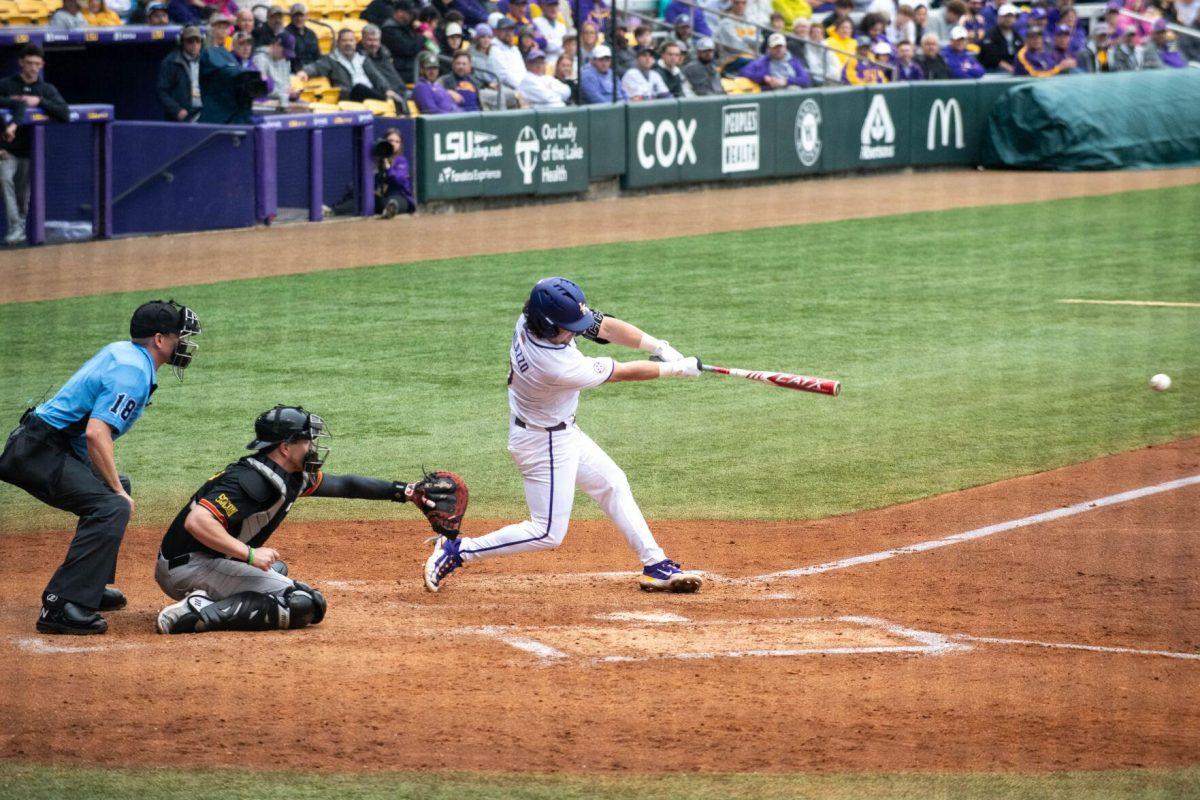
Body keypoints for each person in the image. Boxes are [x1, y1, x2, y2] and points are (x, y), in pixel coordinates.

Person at [423, 278, 704, 595]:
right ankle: (457, 551)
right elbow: (623, 372)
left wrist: (659, 347)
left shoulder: (535, 318)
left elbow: (604, 328)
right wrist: (675, 370)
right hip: (543, 445)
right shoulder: (556, 366)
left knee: (612, 482)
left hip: (560, 431)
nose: (575, 332)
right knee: (546, 532)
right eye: (569, 327)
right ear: (547, 325)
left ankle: (656, 564)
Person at [155, 407, 464, 634]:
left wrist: (406, 492)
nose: (313, 446)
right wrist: (249, 554)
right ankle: (198, 611)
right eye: (306, 440)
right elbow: (197, 521)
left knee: (277, 571)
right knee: (305, 604)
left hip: (199, 561)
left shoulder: (289, 475)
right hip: (188, 567)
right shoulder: (253, 481)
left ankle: (206, 596)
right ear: (285, 447)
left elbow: (345, 485)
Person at [0, 300, 201, 635]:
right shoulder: (133, 372)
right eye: (179, 335)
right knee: (111, 504)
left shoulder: (125, 352)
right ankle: (61, 606)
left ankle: (87, 588)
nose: (184, 342)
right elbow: (96, 432)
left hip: (47, 443)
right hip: (39, 451)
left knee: (114, 490)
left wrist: (114, 484)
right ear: (159, 339)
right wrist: (118, 493)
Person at [0, 45, 69, 247]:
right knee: (4, 179)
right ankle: (16, 227)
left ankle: (18, 227)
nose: (32, 68)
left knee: (23, 194)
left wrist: (39, 101)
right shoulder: (6, 84)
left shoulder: (46, 89)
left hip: (31, 151)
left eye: (37, 64)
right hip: (6, 149)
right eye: (29, 63)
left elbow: (64, 113)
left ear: (42, 65)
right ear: (21, 63)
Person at [297, 29, 404, 110]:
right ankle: (386, 100)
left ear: (355, 43)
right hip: (349, 94)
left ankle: (397, 108)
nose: (348, 44)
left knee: (398, 93)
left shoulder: (362, 58)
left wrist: (387, 89)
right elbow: (316, 67)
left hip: (370, 93)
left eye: (351, 40)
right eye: (344, 41)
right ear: (338, 43)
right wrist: (305, 72)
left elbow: (376, 77)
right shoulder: (332, 60)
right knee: (359, 87)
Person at [199, 23, 268, 123]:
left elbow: (265, 86)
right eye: (242, 44)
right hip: (221, 115)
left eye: (249, 44)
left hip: (240, 111)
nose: (246, 47)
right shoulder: (209, 55)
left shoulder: (228, 55)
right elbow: (228, 72)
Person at [157, 26, 205, 122]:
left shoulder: (207, 60)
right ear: (181, 42)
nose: (194, 44)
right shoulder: (171, 62)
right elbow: (162, 92)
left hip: (204, 113)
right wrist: (177, 110)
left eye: (197, 41)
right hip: (181, 116)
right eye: (190, 41)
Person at [741, 31, 813, 88]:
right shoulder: (762, 61)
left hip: (790, 89)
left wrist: (785, 82)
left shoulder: (793, 61)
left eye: (780, 47)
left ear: (785, 47)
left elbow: (805, 79)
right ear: (769, 49)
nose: (778, 50)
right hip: (771, 92)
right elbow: (744, 72)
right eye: (775, 47)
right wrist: (764, 78)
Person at [253, 32, 298, 108]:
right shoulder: (260, 59)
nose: (285, 56)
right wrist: (284, 92)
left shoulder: (285, 59)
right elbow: (260, 89)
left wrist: (291, 91)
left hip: (282, 100)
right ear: (277, 44)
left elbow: (286, 84)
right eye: (284, 51)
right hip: (264, 103)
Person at [717, 0, 762, 72]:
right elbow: (736, 46)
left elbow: (759, 42)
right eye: (737, 3)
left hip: (750, 57)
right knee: (758, 64)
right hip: (731, 60)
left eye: (743, 3)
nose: (740, 6)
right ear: (731, 3)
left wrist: (744, 40)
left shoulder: (749, 21)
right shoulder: (726, 23)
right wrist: (751, 44)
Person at [979, 2, 1022, 71]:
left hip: (1014, 68)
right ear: (998, 17)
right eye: (1005, 16)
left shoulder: (1016, 35)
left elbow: (1022, 52)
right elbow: (991, 58)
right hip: (993, 71)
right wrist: (1011, 69)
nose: (1008, 19)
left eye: (1011, 16)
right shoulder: (990, 35)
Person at [286, 3, 321, 70]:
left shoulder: (311, 34)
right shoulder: (285, 34)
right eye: (296, 16)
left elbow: (317, 56)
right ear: (291, 17)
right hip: (294, 72)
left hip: (312, 70)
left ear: (306, 17)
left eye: (301, 16)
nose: (299, 19)